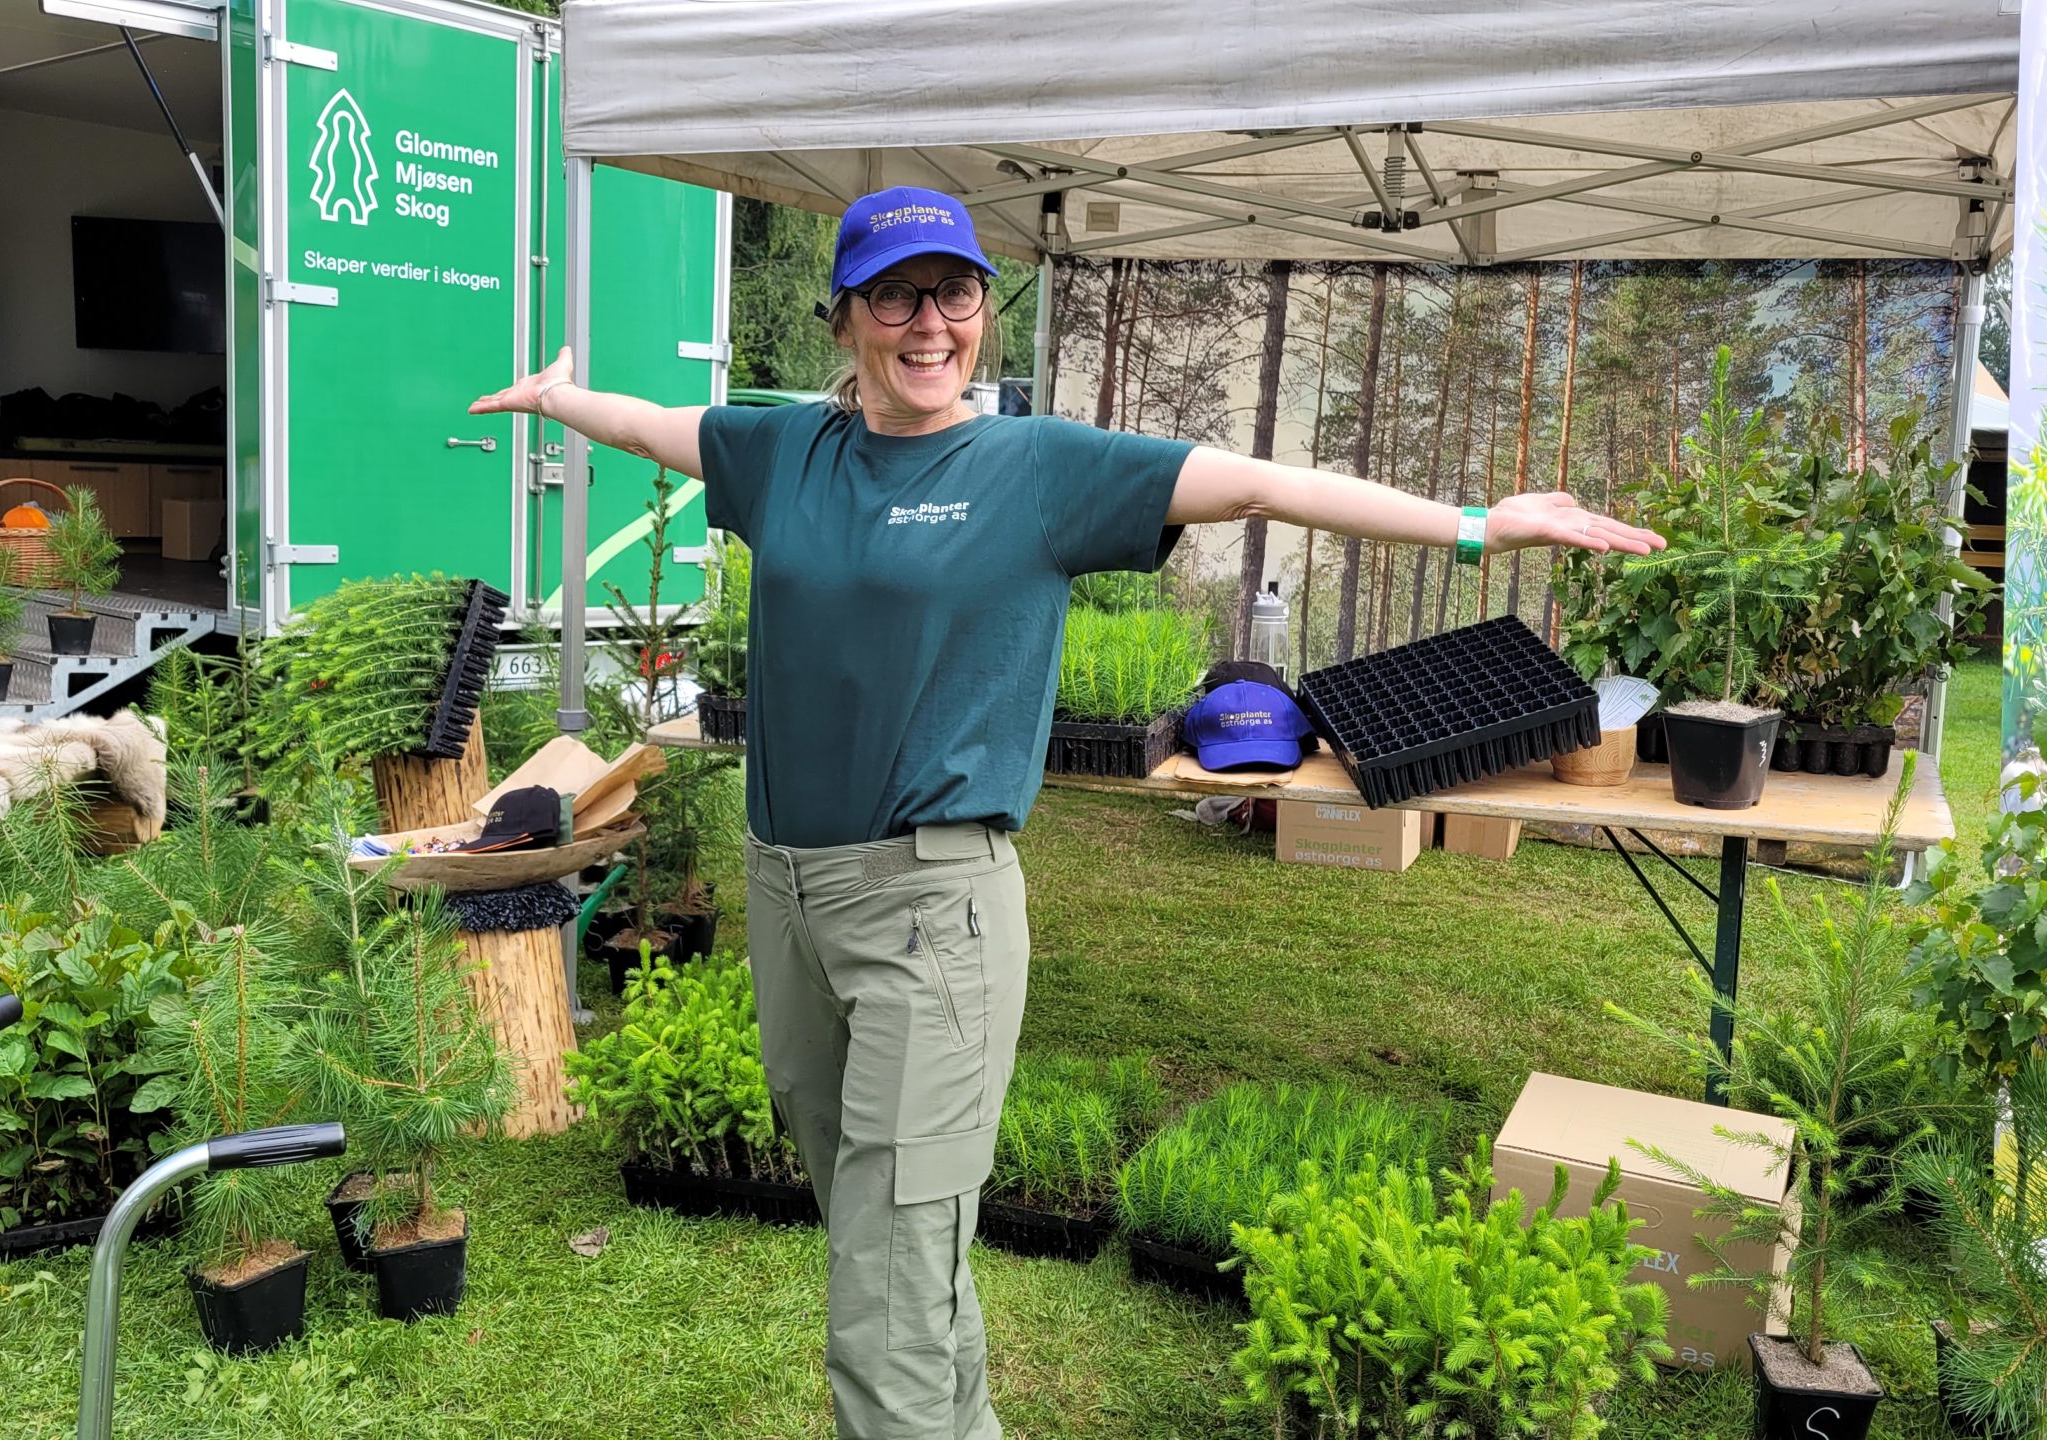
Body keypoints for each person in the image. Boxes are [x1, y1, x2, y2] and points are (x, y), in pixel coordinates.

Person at [471, 185, 1660, 1440]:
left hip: (931, 910)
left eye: (956, 292)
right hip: (787, 896)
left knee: (877, 1298)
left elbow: (1259, 483)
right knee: (887, 1239)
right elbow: (658, 426)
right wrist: (559, 400)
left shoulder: (1035, 470)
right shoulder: (785, 457)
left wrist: (1475, 524)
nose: (929, 324)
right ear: (844, 320)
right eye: (895, 296)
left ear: (983, 308)